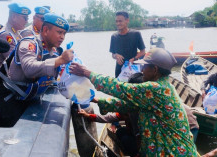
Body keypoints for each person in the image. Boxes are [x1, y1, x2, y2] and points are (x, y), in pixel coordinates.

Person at [70, 48, 198, 156]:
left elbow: (118, 88)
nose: (142, 70)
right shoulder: (163, 87)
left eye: (144, 66)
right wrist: (94, 99)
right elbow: (126, 104)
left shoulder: (156, 89)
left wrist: (87, 73)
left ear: (154, 69)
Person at [0, 13, 74, 127]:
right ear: (45, 30)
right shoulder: (29, 44)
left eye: (64, 33)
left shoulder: (53, 51)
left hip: (30, 97)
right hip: (11, 99)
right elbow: (29, 68)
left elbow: (58, 77)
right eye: (59, 32)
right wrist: (60, 60)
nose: (62, 37)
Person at [79, 73, 143, 157]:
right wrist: (89, 116)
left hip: (144, 141)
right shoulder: (127, 108)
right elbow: (108, 118)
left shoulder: (143, 108)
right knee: (120, 132)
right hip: (136, 136)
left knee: (126, 139)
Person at [110, 11, 145, 78]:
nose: (118, 23)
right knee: (119, 87)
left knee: (133, 87)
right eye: (116, 21)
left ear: (127, 20)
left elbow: (142, 52)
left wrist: (134, 59)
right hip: (119, 70)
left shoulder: (136, 34)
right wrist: (116, 56)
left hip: (133, 68)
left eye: (120, 21)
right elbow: (113, 55)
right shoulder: (114, 36)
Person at [0, 3, 31, 68]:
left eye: (27, 18)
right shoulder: (5, 34)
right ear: (14, 17)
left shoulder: (16, 33)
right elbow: (15, 60)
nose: (26, 21)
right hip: (7, 76)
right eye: (25, 18)